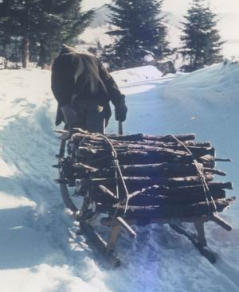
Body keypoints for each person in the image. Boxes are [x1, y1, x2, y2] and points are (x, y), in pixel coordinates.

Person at [51, 44, 127, 133]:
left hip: (75, 104)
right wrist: (119, 103)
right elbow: (109, 82)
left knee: (77, 138)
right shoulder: (93, 59)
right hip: (98, 104)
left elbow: (57, 85)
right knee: (96, 140)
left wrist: (65, 105)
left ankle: (76, 146)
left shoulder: (62, 59)